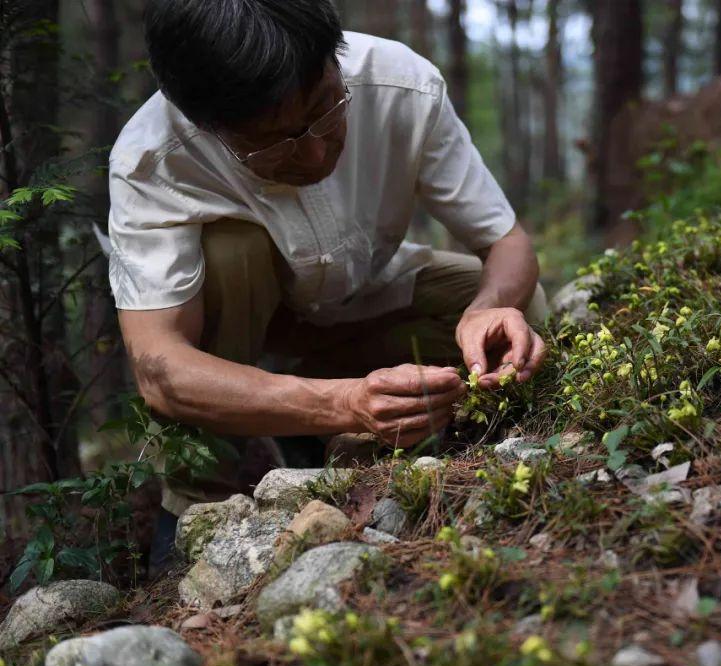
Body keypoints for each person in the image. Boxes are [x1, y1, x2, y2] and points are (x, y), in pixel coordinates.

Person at [109, 0, 548, 570]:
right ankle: (197, 503)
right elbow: (161, 368)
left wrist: (485, 309)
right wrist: (342, 404)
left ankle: (299, 424)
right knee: (230, 249)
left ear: (333, 58)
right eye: (272, 143)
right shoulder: (154, 159)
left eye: (325, 110)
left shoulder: (400, 85)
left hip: (359, 299)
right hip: (243, 329)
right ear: (206, 124)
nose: (316, 152)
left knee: (520, 307)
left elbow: (505, 241)